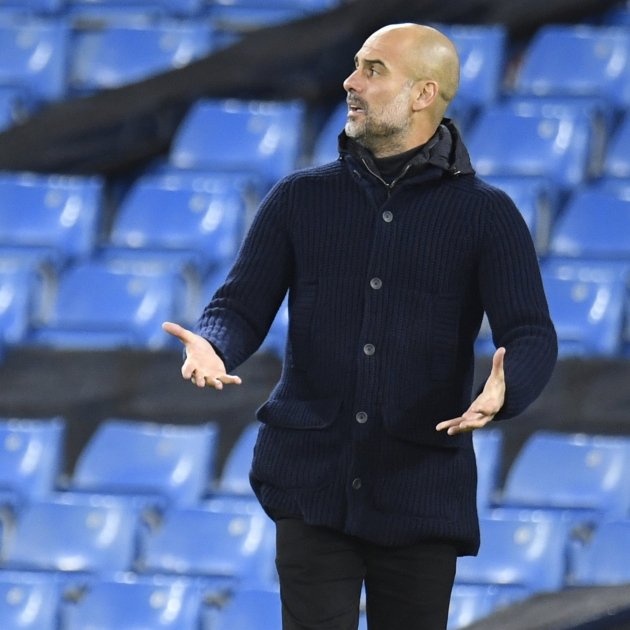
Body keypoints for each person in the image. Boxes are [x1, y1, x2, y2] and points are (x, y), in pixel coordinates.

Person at [163, 22, 557, 630]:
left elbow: (530, 332)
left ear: (423, 94)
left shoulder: (487, 215)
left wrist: (506, 390)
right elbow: (238, 306)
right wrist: (214, 344)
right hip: (309, 486)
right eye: (355, 66)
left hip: (421, 491)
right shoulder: (298, 198)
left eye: (373, 70)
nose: (350, 82)